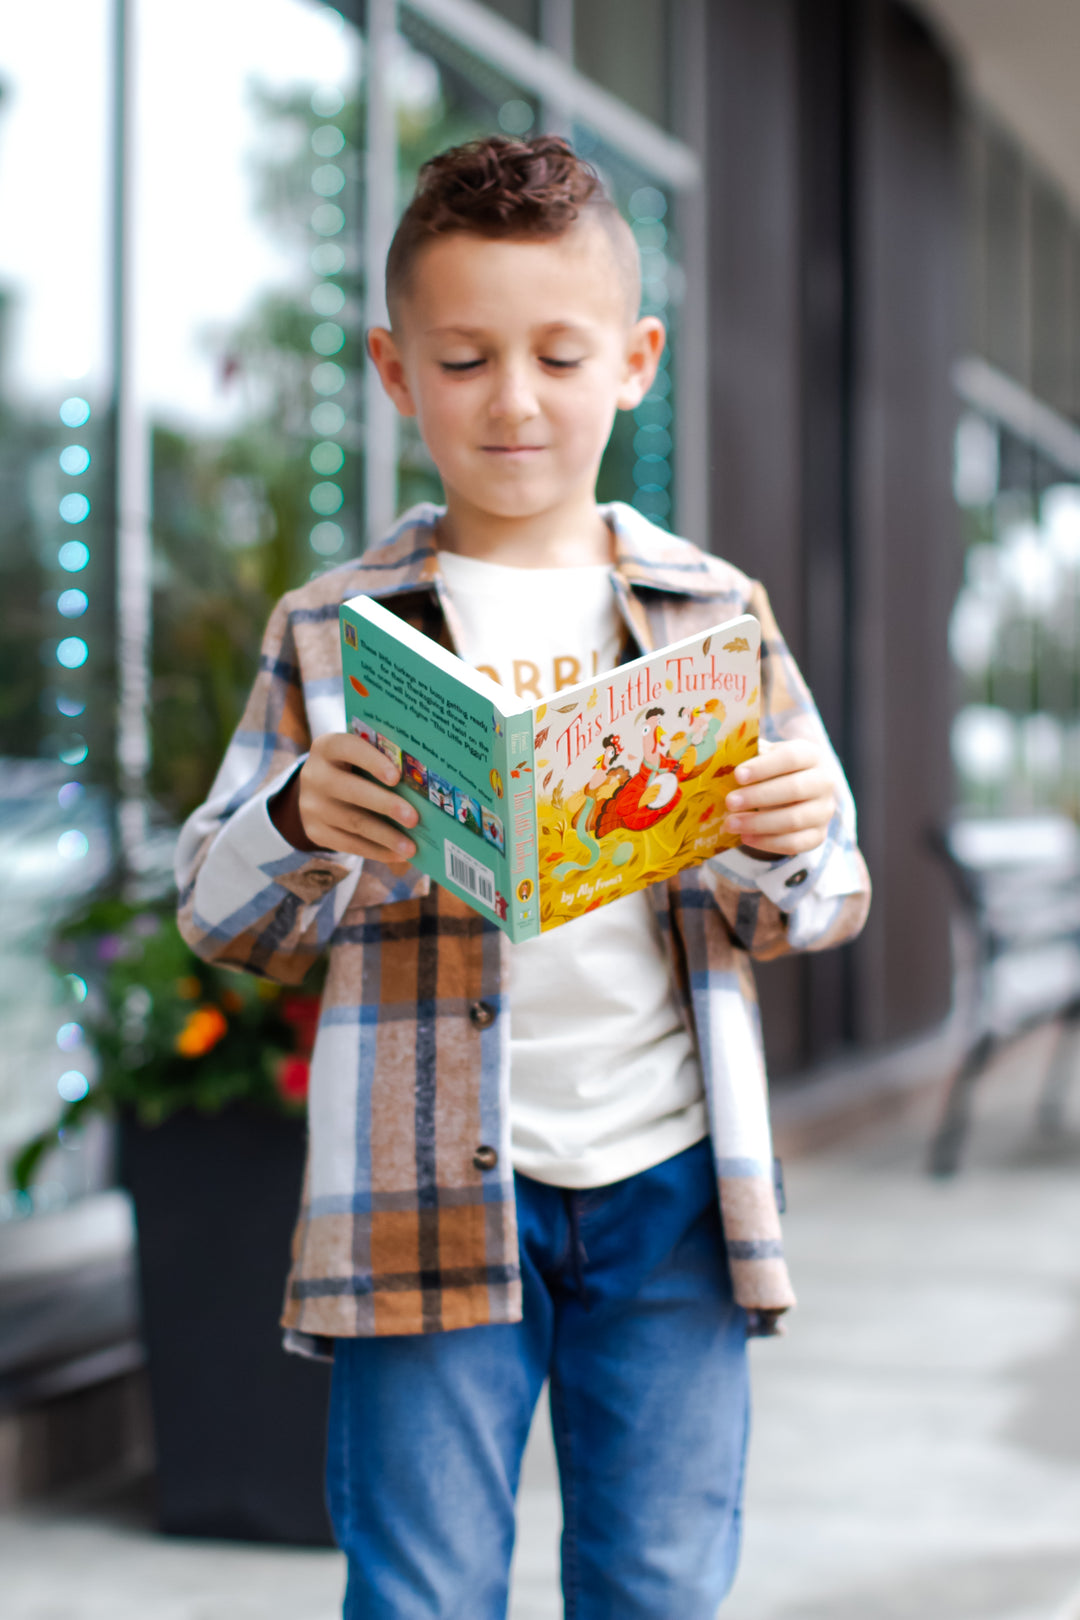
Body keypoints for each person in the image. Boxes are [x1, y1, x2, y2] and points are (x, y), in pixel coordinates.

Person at [176, 135, 871, 1620]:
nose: (514, 399)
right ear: (393, 368)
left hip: (672, 1183)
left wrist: (797, 836)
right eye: (467, 357)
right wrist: (299, 819)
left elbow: (813, 899)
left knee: (662, 1583)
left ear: (634, 362)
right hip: (419, 1181)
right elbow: (218, 913)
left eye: (559, 356)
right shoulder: (333, 630)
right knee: (419, 1589)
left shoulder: (709, 614)